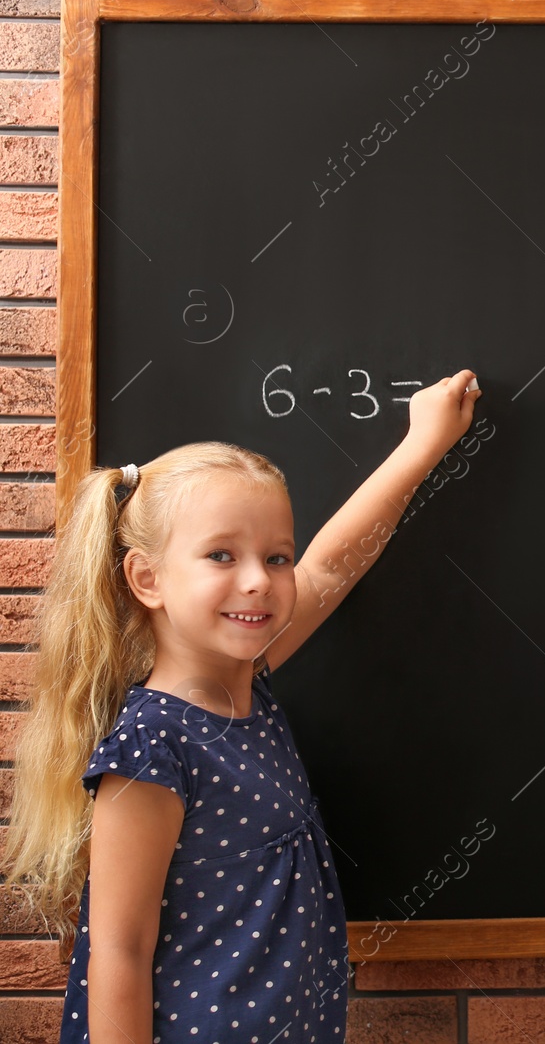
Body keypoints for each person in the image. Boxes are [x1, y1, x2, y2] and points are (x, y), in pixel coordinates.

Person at [1, 369, 484, 1043]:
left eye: (276, 556)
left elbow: (332, 567)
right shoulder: (152, 749)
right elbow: (118, 951)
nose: (259, 579)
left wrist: (422, 445)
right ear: (148, 578)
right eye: (221, 554)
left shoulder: (245, 682)